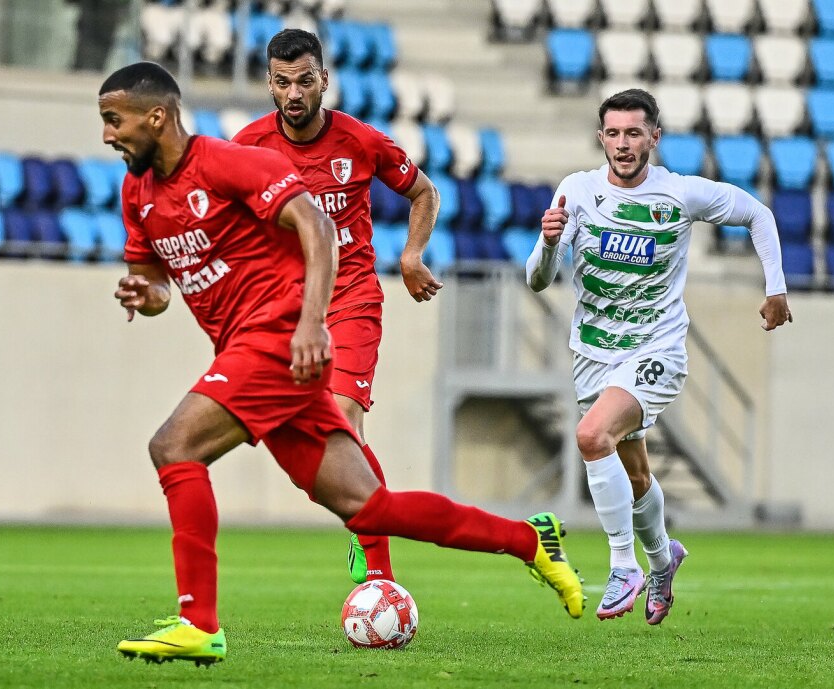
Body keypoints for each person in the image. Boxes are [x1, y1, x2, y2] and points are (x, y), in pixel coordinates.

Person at [102, 61, 585, 667]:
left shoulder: (229, 161)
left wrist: (309, 324)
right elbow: (155, 285)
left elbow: (320, 230)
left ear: (157, 116)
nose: (107, 135)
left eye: (113, 121)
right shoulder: (137, 192)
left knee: (174, 447)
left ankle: (199, 622)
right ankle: (529, 540)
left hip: (275, 339)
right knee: (369, 507)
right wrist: (146, 296)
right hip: (250, 351)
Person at [526, 89, 793, 624]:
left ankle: (623, 565)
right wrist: (550, 243)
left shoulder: (680, 194)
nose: (623, 145)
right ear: (601, 137)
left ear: (655, 136)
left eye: (634, 133)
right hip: (595, 352)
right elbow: (538, 280)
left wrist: (776, 288)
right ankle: (662, 558)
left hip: (658, 348)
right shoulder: (576, 192)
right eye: (613, 133)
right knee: (638, 475)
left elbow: (758, 215)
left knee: (589, 436)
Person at [231, 28, 442, 587]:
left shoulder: (360, 141)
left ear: (324, 79)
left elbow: (424, 192)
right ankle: (363, 516)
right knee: (316, 446)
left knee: (345, 423)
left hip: (350, 298)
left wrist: (412, 254)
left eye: (305, 81)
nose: (294, 93)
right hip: (286, 309)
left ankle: (380, 573)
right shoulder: (249, 147)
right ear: (270, 85)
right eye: (282, 83)